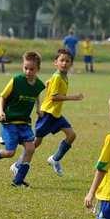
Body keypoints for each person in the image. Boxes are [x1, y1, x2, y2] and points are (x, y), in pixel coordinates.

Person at [0, 51, 45, 187]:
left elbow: (36, 95)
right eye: (26, 68)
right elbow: (3, 96)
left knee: (30, 148)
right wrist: (1, 112)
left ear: (38, 69)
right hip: (9, 122)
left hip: (24, 123)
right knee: (10, 152)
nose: (28, 71)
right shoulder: (16, 80)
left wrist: (38, 109)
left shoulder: (39, 85)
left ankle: (18, 181)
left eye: (32, 69)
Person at [14, 48, 82, 177]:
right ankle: (17, 165)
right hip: (47, 114)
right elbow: (54, 97)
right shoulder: (57, 77)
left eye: (68, 61)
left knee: (71, 135)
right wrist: (73, 97)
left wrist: (48, 83)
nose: (64, 63)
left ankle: (55, 159)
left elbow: (50, 85)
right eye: (62, 60)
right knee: (35, 143)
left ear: (71, 64)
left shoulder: (62, 76)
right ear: (55, 62)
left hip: (55, 114)